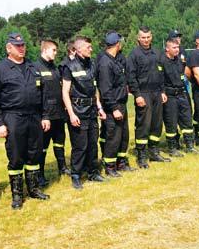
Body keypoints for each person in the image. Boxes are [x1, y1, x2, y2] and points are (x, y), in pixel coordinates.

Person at [0, 33, 50, 210]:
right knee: (15, 156)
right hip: (13, 117)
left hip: (34, 116)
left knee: (34, 154)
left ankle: (34, 188)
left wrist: (45, 116)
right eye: (17, 46)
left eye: (23, 45)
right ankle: (17, 194)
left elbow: (43, 94)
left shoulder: (33, 66)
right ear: (9, 48)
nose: (21, 48)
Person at [61, 36, 107, 189]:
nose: (91, 49)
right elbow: (65, 92)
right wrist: (71, 114)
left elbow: (94, 90)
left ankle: (93, 172)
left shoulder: (92, 65)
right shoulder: (69, 67)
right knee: (80, 146)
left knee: (93, 143)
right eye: (88, 47)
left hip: (92, 110)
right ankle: (76, 175)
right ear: (79, 49)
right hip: (78, 111)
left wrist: (99, 107)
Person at [126, 26, 168, 167]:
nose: (146, 40)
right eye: (143, 37)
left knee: (157, 123)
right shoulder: (134, 55)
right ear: (138, 38)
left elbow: (161, 73)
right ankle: (142, 156)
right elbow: (131, 77)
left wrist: (162, 91)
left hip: (157, 93)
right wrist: (137, 95)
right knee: (144, 125)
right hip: (143, 93)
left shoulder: (157, 52)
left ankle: (154, 152)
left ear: (152, 36)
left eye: (148, 37)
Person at [34, 39, 71, 186]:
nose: (56, 53)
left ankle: (62, 168)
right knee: (42, 147)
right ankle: (40, 175)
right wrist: (43, 115)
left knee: (59, 143)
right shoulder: (36, 68)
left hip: (59, 114)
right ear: (45, 50)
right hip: (46, 116)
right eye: (54, 50)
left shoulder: (55, 68)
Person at [96, 32, 131, 176]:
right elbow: (105, 89)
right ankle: (110, 167)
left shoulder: (116, 60)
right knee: (113, 136)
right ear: (117, 44)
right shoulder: (105, 63)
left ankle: (121, 163)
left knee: (123, 135)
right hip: (113, 106)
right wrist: (114, 108)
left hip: (121, 103)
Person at [160, 37, 199, 155]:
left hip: (182, 93)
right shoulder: (162, 61)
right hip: (170, 96)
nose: (177, 50)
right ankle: (172, 148)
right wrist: (162, 92)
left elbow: (184, 75)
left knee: (187, 120)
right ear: (167, 49)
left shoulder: (179, 60)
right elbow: (160, 79)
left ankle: (189, 146)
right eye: (174, 47)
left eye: (177, 47)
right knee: (171, 122)